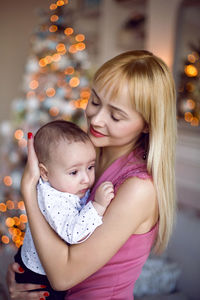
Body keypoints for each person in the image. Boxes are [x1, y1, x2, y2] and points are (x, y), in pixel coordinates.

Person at [7, 50, 177, 300]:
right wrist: (26, 278)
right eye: (95, 101)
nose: (95, 120)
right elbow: (57, 229)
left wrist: (29, 193)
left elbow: (63, 276)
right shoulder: (85, 155)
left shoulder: (139, 188)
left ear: (148, 124)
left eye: (116, 116)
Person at [14, 120, 114, 299]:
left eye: (90, 167)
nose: (85, 179)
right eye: (74, 172)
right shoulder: (54, 198)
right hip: (39, 277)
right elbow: (73, 233)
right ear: (44, 173)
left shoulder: (63, 185)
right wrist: (97, 206)